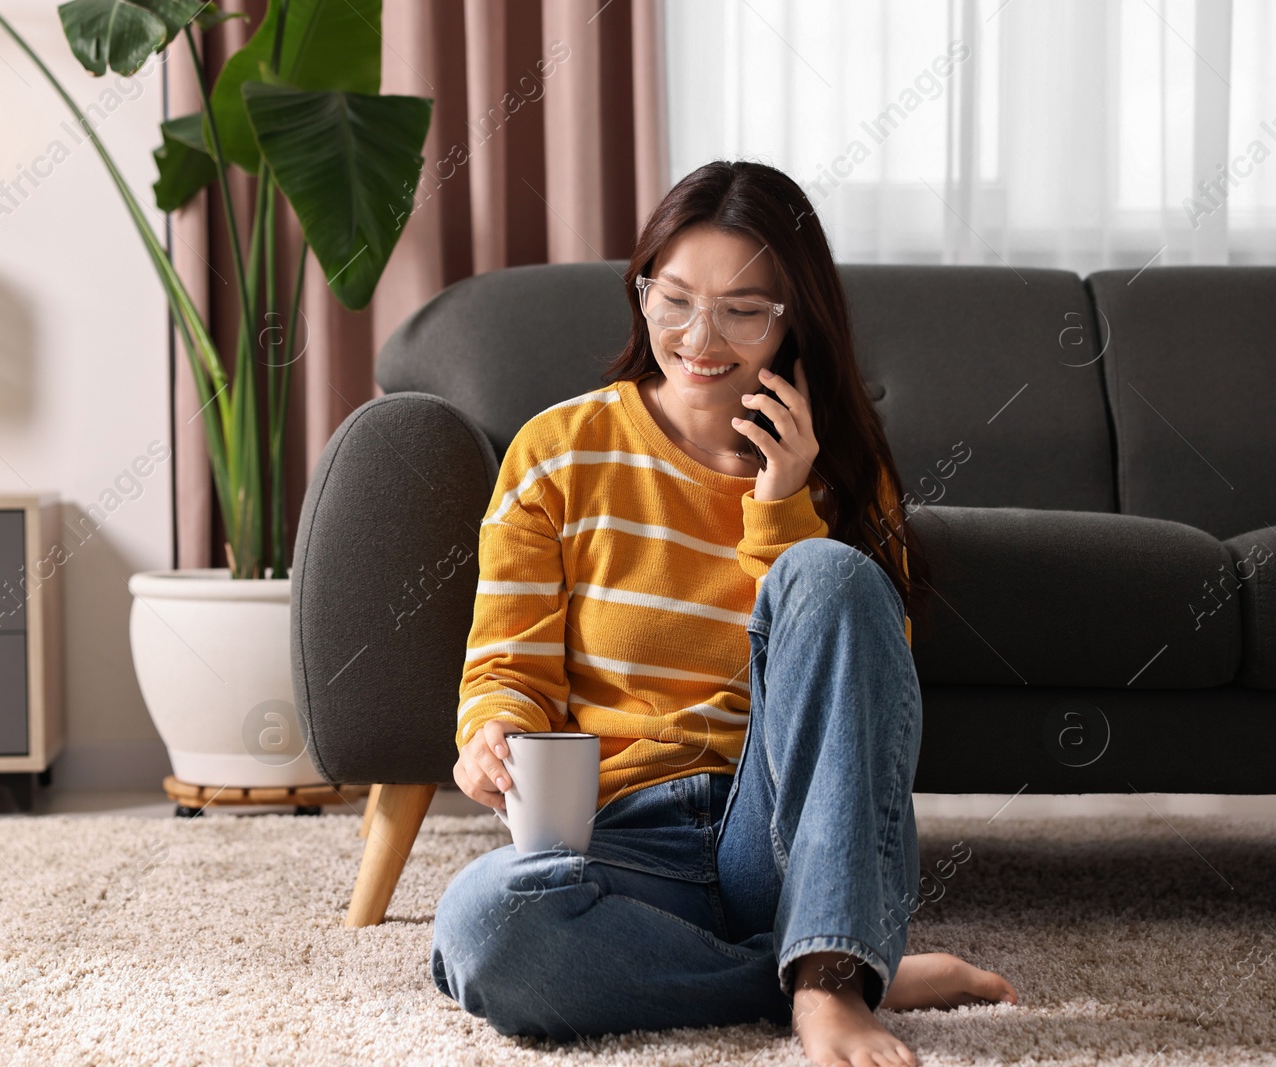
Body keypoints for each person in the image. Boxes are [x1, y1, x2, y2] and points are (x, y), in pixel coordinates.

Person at [430, 160, 1018, 1067]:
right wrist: (494, 734)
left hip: (785, 838)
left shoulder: (846, 471)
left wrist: (784, 509)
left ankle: (826, 978)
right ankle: (839, 964)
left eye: (743, 309)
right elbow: (506, 666)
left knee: (830, 573)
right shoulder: (556, 453)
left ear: (794, 317)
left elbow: (867, 698)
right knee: (482, 927)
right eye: (673, 301)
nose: (700, 338)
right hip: (619, 837)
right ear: (642, 295)